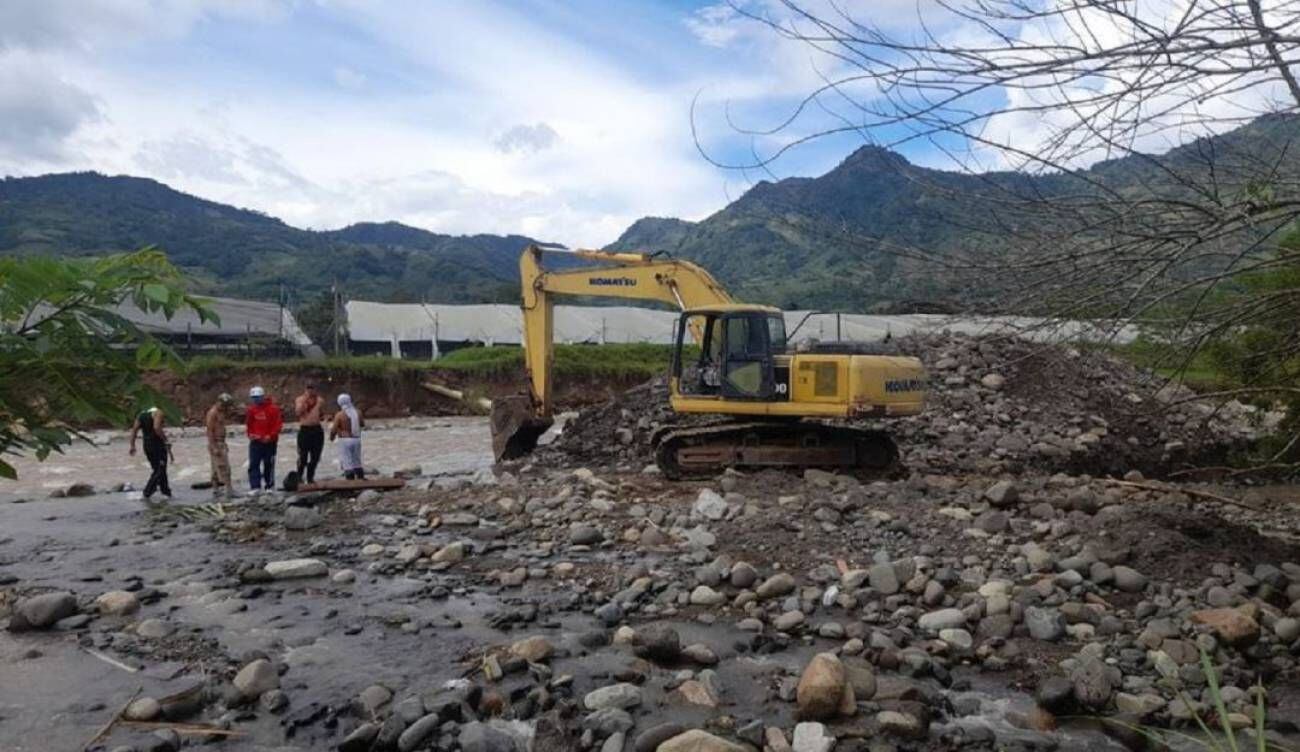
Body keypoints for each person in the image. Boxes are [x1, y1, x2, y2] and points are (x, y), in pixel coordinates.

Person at [245, 386, 283, 492]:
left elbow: (278, 425)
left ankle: (269, 485)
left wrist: (270, 436)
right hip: (256, 442)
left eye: (257, 397)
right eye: (253, 397)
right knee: (253, 464)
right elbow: (249, 425)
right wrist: (250, 434)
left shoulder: (273, 409)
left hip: (270, 442)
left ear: (262, 396)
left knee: (269, 464)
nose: (255, 399)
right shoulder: (251, 410)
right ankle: (255, 487)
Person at [128, 406, 171, 501]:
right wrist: (165, 440)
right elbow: (156, 427)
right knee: (159, 469)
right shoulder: (158, 412)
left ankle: (166, 492)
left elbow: (134, 430)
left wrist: (132, 445)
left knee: (158, 468)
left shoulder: (142, 414)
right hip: (157, 445)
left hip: (147, 445)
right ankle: (147, 492)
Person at [205, 393, 235, 499]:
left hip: (221, 441)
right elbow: (210, 430)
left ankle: (216, 489)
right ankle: (229, 489)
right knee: (224, 467)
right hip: (216, 443)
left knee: (215, 468)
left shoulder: (221, 412)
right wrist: (214, 446)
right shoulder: (213, 413)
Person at [294, 383, 325, 484]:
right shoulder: (300, 399)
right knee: (303, 456)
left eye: (312, 389)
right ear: (305, 390)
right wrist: (305, 401)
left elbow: (321, 414)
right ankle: (299, 476)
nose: (311, 391)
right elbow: (298, 413)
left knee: (315, 456)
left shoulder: (320, 400)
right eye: (309, 389)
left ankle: (310, 477)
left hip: (316, 430)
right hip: (305, 430)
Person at [330, 393, 365, 480]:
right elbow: (362, 424)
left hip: (345, 440)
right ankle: (361, 480)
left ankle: (350, 482)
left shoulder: (339, 415)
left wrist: (332, 437)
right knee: (357, 461)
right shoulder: (358, 412)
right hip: (357, 439)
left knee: (347, 462)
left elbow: (334, 429)